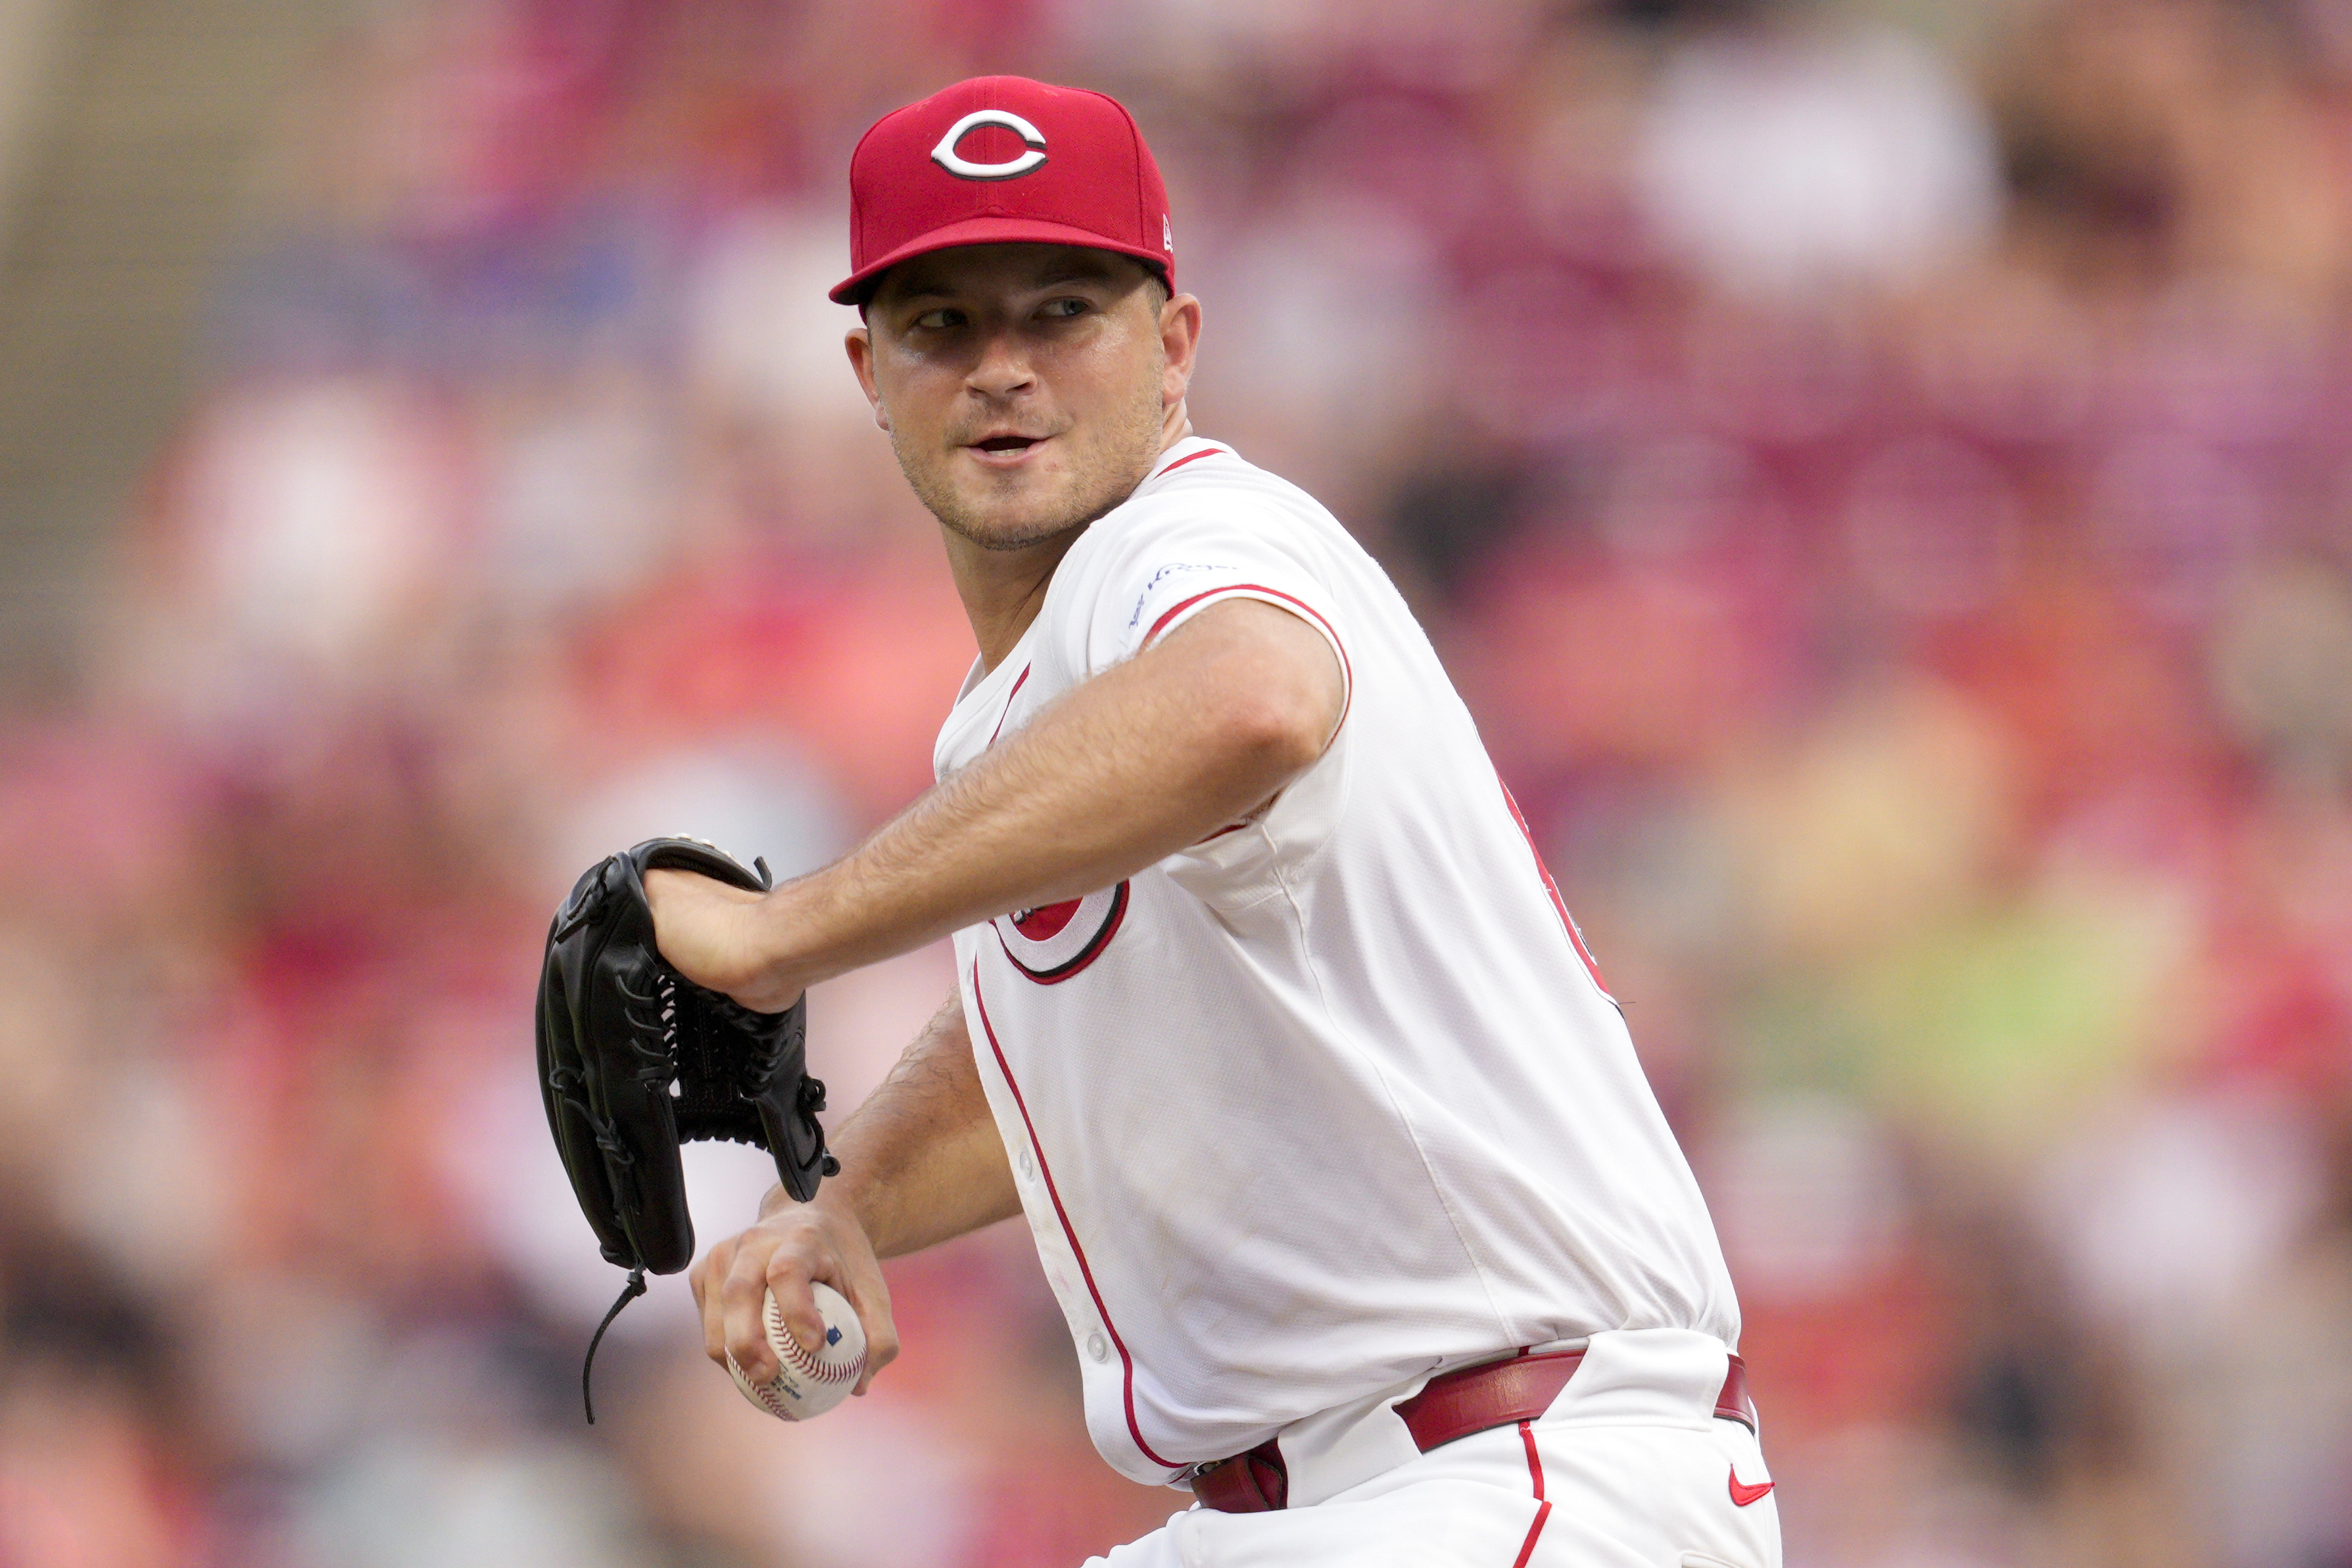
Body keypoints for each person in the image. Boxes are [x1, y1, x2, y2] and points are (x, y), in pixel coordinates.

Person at [647, 74, 1780, 1568]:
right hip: (1339, 1505)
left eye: (1062, 313)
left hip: (1502, 1473)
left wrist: (784, 931)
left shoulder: (1189, 537)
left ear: (1174, 347)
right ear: (868, 368)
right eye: (944, 326)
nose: (1003, 368)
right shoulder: (1038, 715)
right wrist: (837, 1205)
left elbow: (1255, 694)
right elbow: (1070, 1035)